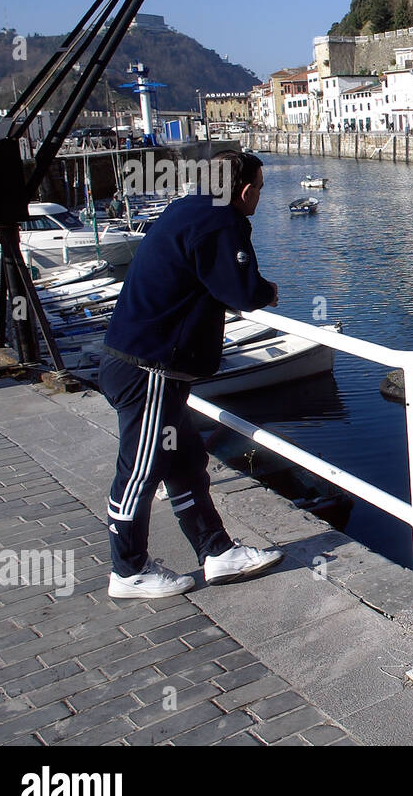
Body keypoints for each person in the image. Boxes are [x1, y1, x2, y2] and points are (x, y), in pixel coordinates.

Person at [99, 150, 283, 598]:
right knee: (140, 471)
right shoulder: (222, 220)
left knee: (184, 462)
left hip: (144, 363)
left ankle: (217, 551)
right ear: (244, 190)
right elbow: (242, 290)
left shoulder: (187, 208)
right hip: (151, 369)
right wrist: (269, 290)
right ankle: (128, 570)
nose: (260, 195)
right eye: (260, 187)